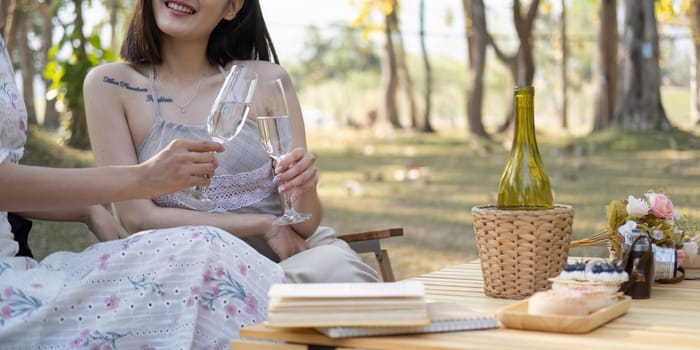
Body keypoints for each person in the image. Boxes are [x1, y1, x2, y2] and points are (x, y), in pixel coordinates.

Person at [0, 34, 285, 348]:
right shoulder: (112, 83)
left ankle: (305, 320)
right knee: (203, 251)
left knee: (199, 257)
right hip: (11, 288)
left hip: (16, 266)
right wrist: (143, 178)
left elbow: (10, 178)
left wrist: (88, 209)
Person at [84, 0, 378, 283]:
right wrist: (262, 226)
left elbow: (303, 225)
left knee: (343, 277)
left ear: (232, 6)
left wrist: (304, 185)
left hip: (282, 265)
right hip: (182, 270)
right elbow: (138, 219)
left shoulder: (266, 81)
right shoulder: (110, 85)